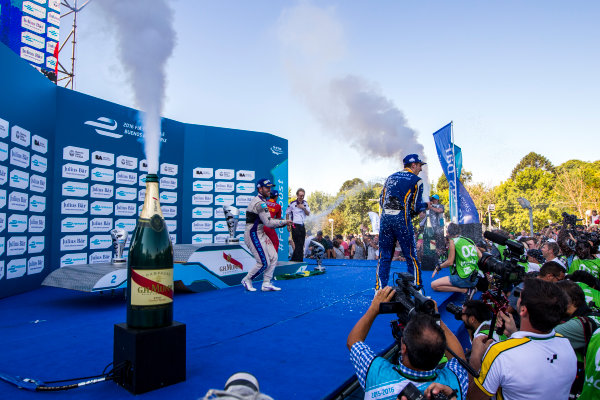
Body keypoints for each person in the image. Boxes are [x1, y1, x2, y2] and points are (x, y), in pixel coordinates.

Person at [347, 287, 468, 399]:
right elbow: (459, 358)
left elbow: (353, 341)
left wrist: (373, 309)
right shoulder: (453, 385)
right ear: (442, 352)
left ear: (403, 347)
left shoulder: (377, 373)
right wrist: (437, 320)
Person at [468, 278, 576, 400]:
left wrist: (475, 359)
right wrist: (515, 333)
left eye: (520, 296)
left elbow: (473, 397)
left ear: (523, 310)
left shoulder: (500, 353)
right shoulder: (566, 344)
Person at [377, 154, 430, 289]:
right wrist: (426, 205)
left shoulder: (390, 177)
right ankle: (416, 287)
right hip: (402, 220)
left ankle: (379, 289)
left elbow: (381, 200)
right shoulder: (417, 180)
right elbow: (416, 207)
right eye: (420, 165)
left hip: (385, 220)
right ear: (413, 165)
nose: (421, 169)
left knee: (384, 257)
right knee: (411, 255)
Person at [241, 178, 292, 292]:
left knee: (273, 257)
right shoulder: (260, 203)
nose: (269, 189)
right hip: (253, 234)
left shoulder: (263, 201)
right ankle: (247, 279)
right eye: (267, 187)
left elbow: (269, 222)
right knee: (263, 263)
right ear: (260, 189)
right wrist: (284, 222)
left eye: (270, 187)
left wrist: (283, 222)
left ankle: (266, 283)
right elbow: (269, 223)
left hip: (260, 233)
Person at [431, 223, 481, 299]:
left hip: (464, 278)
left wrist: (439, 267)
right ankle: (469, 288)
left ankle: (465, 290)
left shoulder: (453, 241)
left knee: (434, 285)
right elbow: (480, 256)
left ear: (448, 233)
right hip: (475, 278)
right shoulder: (469, 240)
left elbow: (450, 262)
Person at [286, 188, 311, 262]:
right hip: (294, 225)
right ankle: (298, 260)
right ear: (297, 195)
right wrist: (288, 224)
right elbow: (287, 213)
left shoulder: (305, 203)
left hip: (302, 225)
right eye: (300, 195)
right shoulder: (292, 203)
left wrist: (303, 208)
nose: (301, 197)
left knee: (301, 243)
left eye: (303, 195)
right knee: (297, 243)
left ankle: (295, 259)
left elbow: (308, 213)